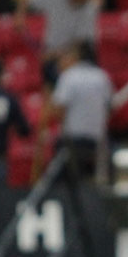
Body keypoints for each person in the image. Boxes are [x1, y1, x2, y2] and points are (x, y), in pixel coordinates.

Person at [36, 41, 113, 182]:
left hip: (72, 141)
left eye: (65, 56)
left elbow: (58, 109)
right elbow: (109, 107)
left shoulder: (69, 76)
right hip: (97, 140)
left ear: (75, 57)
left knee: (61, 183)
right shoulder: (102, 77)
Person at [10, 0, 101, 84]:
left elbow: (82, 43)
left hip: (78, 56)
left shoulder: (89, 8)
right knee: (49, 72)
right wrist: (20, 17)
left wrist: (55, 55)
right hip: (52, 55)